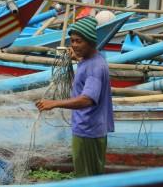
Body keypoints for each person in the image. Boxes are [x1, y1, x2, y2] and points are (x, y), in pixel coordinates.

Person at [36, 17, 114, 177]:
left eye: (79, 41)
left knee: (86, 178)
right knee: (90, 176)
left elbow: (87, 99)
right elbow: (85, 64)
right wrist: (77, 57)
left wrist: (55, 103)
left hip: (88, 131)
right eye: (72, 41)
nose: (74, 45)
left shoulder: (94, 68)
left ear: (91, 42)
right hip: (89, 129)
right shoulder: (91, 60)